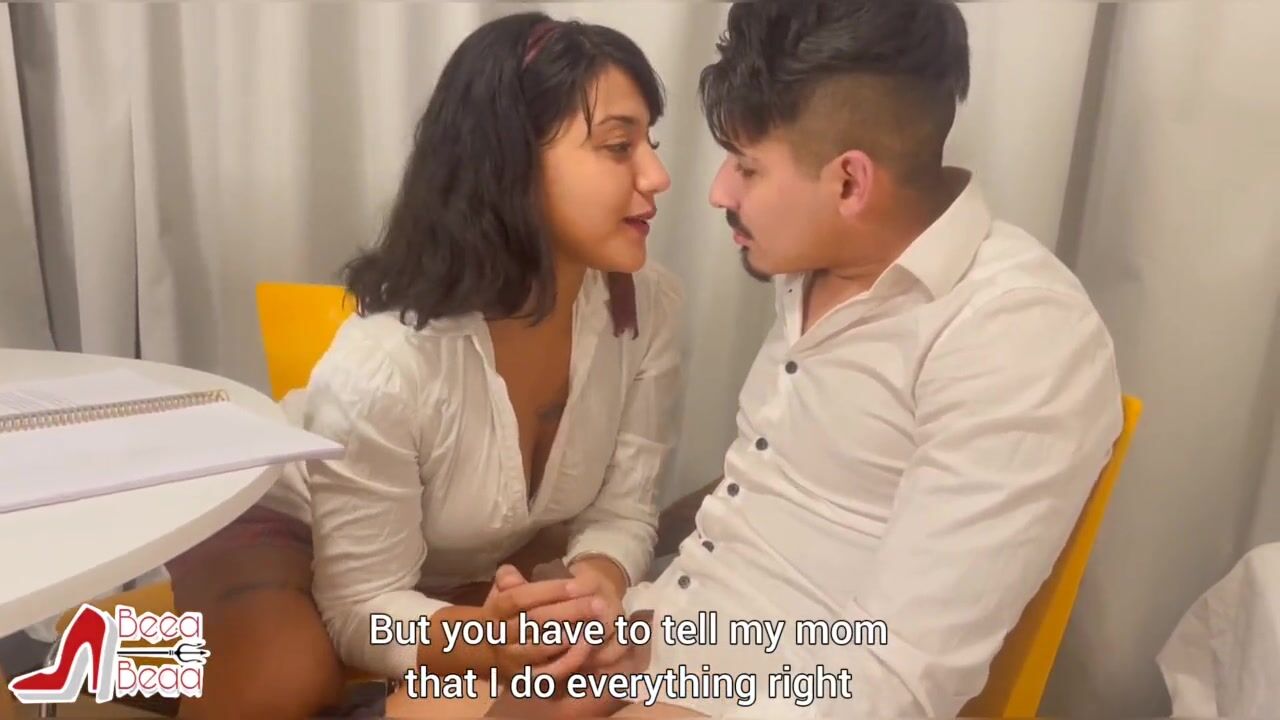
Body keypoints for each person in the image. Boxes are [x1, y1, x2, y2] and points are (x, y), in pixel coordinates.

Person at [396, 0, 1124, 718]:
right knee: (422, 702)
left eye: (746, 167)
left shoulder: (1017, 333)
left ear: (850, 182)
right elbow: (765, 510)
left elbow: (896, 679)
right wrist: (627, 628)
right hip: (677, 636)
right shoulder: (817, 260)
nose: (716, 191)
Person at [164, 11, 682, 720]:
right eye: (619, 146)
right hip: (287, 528)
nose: (658, 175)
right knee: (283, 683)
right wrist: (482, 644)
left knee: (603, 665)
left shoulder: (648, 306)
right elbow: (363, 603)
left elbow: (623, 509)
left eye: (650, 142)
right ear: (510, 162)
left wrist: (599, 581)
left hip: (452, 560)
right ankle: (135, 661)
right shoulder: (384, 365)